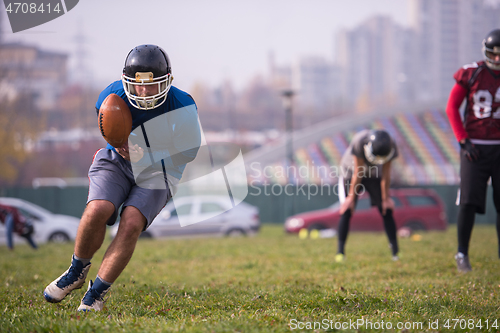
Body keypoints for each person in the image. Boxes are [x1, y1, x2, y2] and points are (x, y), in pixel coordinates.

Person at [43, 44, 201, 311]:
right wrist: (117, 141)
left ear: (168, 81)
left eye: (152, 85)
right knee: (97, 209)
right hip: (117, 160)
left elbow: (189, 151)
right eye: (138, 85)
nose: (144, 91)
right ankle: (76, 270)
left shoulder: (183, 104)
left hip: (160, 170)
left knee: (130, 222)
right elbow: (105, 119)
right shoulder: (113, 93)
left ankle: (98, 292)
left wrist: (148, 154)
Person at [445, 29, 500, 273]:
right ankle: (462, 254)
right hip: (474, 147)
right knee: (467, 202)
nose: (497, 60)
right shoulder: (472, 73)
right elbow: (451, 108)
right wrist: (463, 140)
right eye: (493, 54)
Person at [336, 129, 399, 262]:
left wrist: (385, 198)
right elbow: (358, 172)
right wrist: (351, 198)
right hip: (351, 171)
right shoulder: (360, 141)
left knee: (386, 209)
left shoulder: (391, 145)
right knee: (347, 209)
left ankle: (395, 252)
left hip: (373, 174)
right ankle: (340, 252)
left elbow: (386, 173)